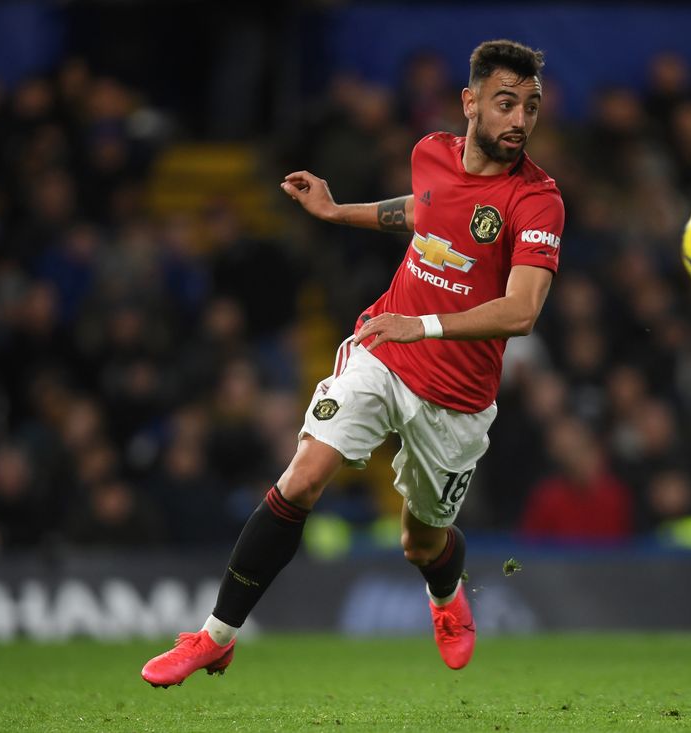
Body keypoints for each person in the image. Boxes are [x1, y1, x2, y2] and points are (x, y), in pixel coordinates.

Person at [141, 39, 564, 685]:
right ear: (470, 102)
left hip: (458, 395)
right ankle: (215, 635)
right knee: (304, 475)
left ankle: (446, 598)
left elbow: (523, 310)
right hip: (383, 351)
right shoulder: (430, 152)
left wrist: (423, 324)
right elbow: (426, 213)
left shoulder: (537, 200)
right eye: (506, 103)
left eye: (531, 107)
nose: (519, 121)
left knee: (421, 543)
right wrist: (339, 212)